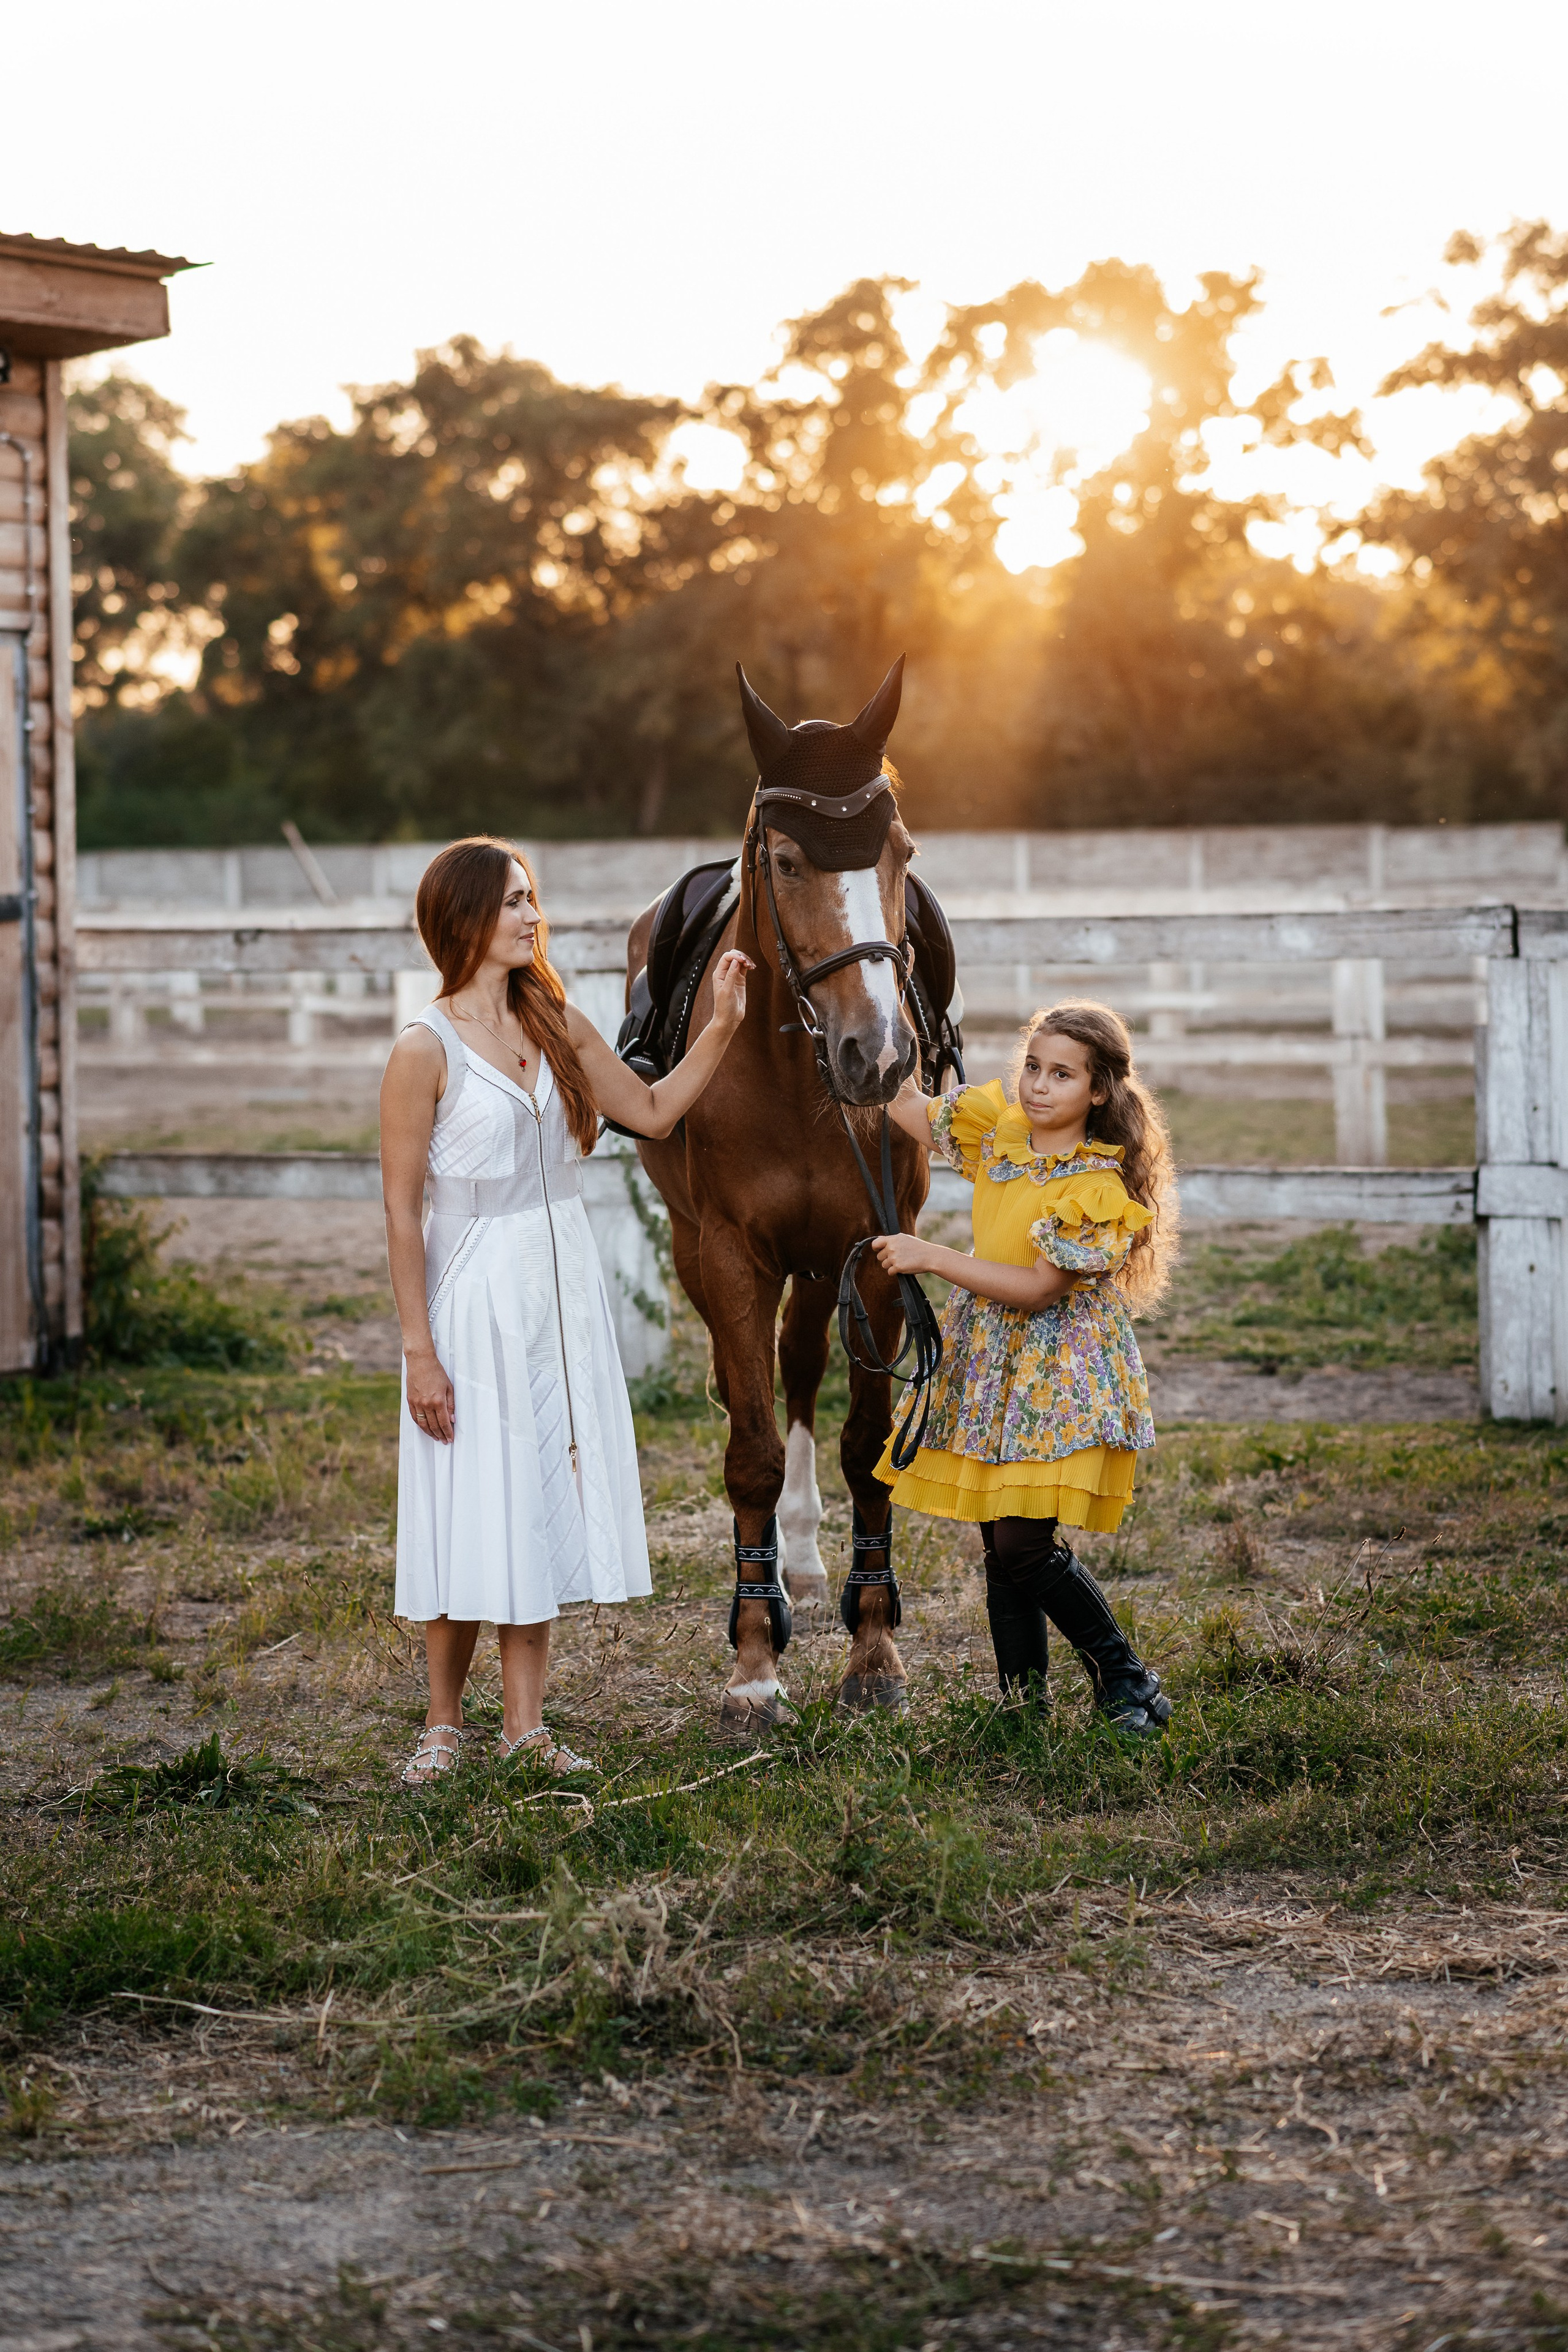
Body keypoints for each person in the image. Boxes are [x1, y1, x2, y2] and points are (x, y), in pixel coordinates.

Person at [380, 835, 752, 1783]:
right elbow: (399, 1209)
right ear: (462, 916)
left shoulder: (559, 1025)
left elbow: (657, 1110)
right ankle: (441, 1725)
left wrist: (720, 1026)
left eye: (531, 898)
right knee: (470, 1501)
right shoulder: (421, 1052)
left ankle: (526, 1729)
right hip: (473, 1297)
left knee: (536, 1496)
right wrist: (420, 1353)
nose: (530, 916)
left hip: (560, 1294)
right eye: (512, 902)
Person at [873, 1001, 1178, 1733]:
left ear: (1099, 1091)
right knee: (998, 1543)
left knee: (1023, 1543)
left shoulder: (1094, 1187)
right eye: (1033, 1067)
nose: (1039, 1086)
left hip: (1055, 1371)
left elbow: (1043, 1289)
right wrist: (883, 1010)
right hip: (991, 1363)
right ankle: (1021, 1709)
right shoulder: (999, 1133)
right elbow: (903, 1106)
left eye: (1063, 1075)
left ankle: (1128, 1679)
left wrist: (933, 1256)